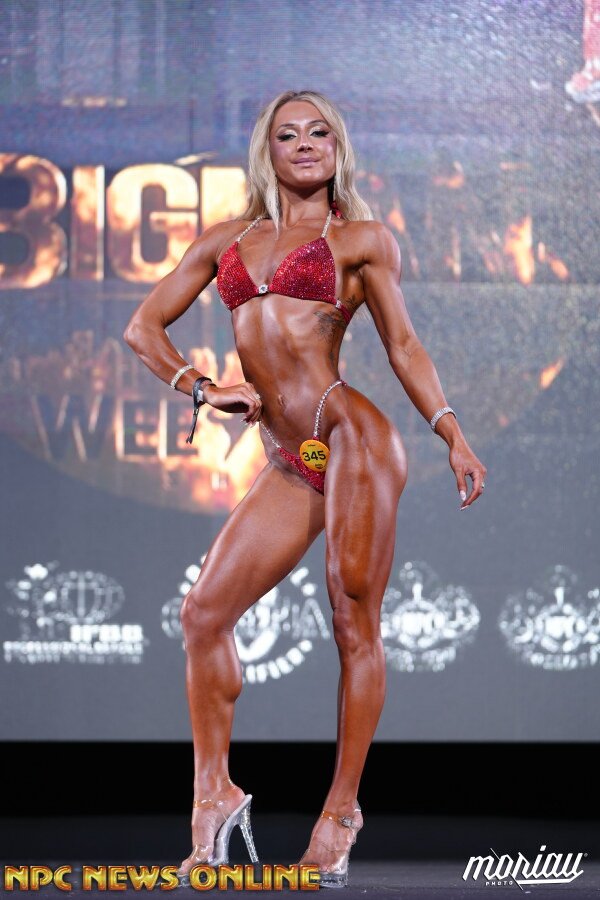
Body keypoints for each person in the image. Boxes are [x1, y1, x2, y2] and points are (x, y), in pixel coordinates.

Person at [123, 89, 487, 889]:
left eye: (320, 131)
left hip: (352, 438)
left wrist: (451, 430)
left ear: (337, 146)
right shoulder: (226, 240)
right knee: (203, 614)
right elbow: (143, 328)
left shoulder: (360, 240)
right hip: (294, 459)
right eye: (288, 134)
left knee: (352, 619)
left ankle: (342, 811)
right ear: (269, 151)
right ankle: (213, 796)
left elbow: (403, 344)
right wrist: (201, 386)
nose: (305, 144)